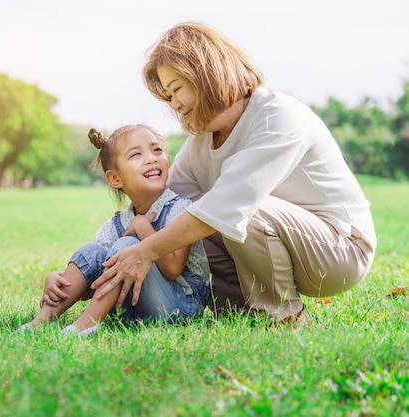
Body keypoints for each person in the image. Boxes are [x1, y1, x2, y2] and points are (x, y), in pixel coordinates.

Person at [91, 22, 377, 326]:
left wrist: (145, 252)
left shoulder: (277, 117)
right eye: (168, 96)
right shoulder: (203, 139)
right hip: (284, 244)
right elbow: (162, 204)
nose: (174, 104)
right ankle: (235, 310)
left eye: (176, 89)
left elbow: (229, 205)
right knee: (187, 216)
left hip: (339, 251)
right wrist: (88, 266)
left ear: (205, 75)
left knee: (234, 210)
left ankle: (284, 317)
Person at [19, 125, 211, 335]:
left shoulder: (179, 209)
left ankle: (86, 325)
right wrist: (58, 278)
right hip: (130, 309)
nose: (151, 158)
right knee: (91, 251)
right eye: (136, 154)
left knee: (126, 246)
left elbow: (173, 269)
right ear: (115, 179)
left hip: (179, 307)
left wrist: (143, 226)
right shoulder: (116, 224)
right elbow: (95, 274)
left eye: (157, 150)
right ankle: (41, 321)